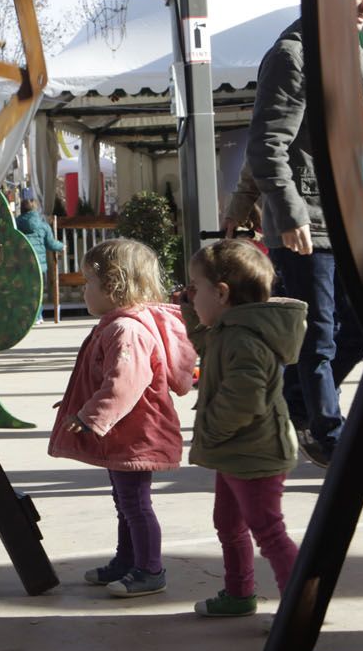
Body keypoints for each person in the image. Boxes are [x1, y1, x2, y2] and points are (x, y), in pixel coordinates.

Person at [246, 7, 363, 468]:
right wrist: (286, 211)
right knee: (317, 335)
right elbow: (267, 142)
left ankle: (294, 403)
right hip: (306, 221)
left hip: (350, 216)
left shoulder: (358, 59)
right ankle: (329, 433)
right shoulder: (292, 55)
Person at [49, 239, 196, 599]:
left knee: (135, 504)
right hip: (124, 432)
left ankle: (149, 569)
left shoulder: (125, 330)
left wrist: (90, 416)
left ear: (113, 286)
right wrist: (77, 403)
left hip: (135, 432)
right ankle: (127, 560)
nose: (84, 290)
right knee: (125, 501)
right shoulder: (117, 324)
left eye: (88, 282)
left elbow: (123, 384)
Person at [182, 240, 306, 617]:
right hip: (237, 451)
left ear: (221, 293)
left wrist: (212, 431)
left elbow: (245, 398)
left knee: (268, 533)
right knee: (228, 523)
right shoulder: (229, 328)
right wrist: (189, 312)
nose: (189, 294)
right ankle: (238, 594)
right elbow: (206, 340)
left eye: (194, 288)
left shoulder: (246, 339)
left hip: (255, 452)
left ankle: (300, 611)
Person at [15, 197, 64, 321]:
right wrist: (62, 246)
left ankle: (25, 317)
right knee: (38, 291)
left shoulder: (15, 224)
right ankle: (37, 317)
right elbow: (51, 244)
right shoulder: (43, 225)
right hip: (38, 264)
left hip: (21, 263)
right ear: (36, 210)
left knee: (24, 290)